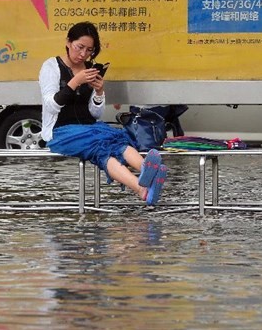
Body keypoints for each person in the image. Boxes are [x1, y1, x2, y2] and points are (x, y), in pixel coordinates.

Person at [39, 21, 167, 206]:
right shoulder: (51, 67)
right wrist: (74, 82)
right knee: (101, 145)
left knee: (117, 138)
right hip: (61, 133)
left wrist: (99, 92)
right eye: (79, 47)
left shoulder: (90, 69)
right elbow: (51, 106)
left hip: (90, 128)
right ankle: (145, 183)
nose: (83, 54)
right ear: (68, 42)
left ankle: (148, 173)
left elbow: (95, 113)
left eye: (89, 50)